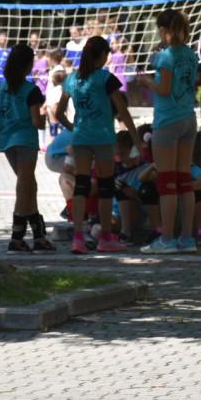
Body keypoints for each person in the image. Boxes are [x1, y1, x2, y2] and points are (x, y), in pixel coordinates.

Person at [58, 36, 142, 254]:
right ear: (103, 55)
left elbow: (59, 113)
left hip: (81, 138)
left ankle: (78, 237)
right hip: (103, 138)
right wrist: (136, 138)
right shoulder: (106, 79)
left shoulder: (72, 79)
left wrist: (74, 127)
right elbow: (123, 111)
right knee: (105, 187)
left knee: (81, 186)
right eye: (107, 55)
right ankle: (105, 237)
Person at [138, 9, 200, 253]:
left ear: (164, 30)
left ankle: (166, 239)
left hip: (167, 121)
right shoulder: (191, 55)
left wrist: (146, 82)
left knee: (166, 182)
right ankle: (187, 238)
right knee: (185, 180)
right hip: (188, 117)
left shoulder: (164, 57)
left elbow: (163, 89)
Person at [0, 44, 54, 253]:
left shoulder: (0, 88)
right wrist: (44, 121)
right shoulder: (31, 90)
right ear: (28, 65)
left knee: (29, 186)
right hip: (26, 140)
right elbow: (36, 121)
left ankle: (38, 236)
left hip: (7, 141)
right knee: (23, 187)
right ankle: (16, 238)